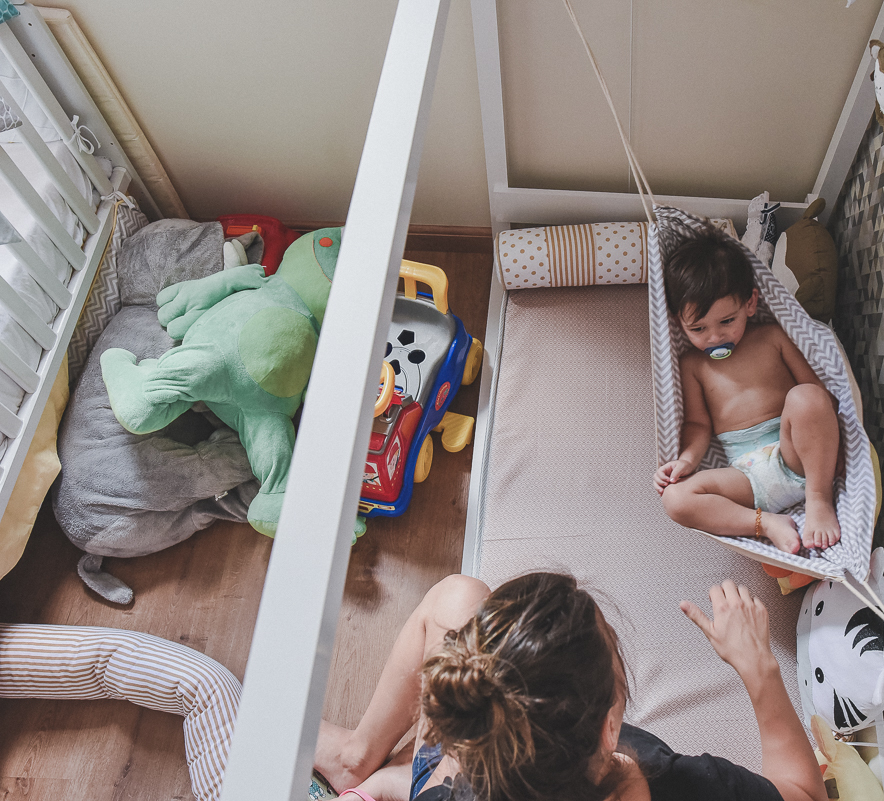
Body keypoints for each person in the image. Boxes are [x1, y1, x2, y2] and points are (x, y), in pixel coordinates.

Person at [314, 572, 827, 801]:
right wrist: (759, 668)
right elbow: (805, 795)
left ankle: (356, 758)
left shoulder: (461, 789)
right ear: (609, 728)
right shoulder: (677, 787)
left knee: (458, 595)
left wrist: (381, 788)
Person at [653, 226, 842, 552]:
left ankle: (818, 499)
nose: (714, 338)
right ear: (678, 324)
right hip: (745, 476)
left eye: (727, 321)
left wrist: (824, 446)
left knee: (806, 397)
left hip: (794, 453)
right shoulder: (692, 364)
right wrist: (685, 461)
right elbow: (698, 425)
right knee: (675, 499)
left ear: (750, 303)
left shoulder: (772, 337)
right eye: (698, 329)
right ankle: (765, 524)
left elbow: (819, 392)